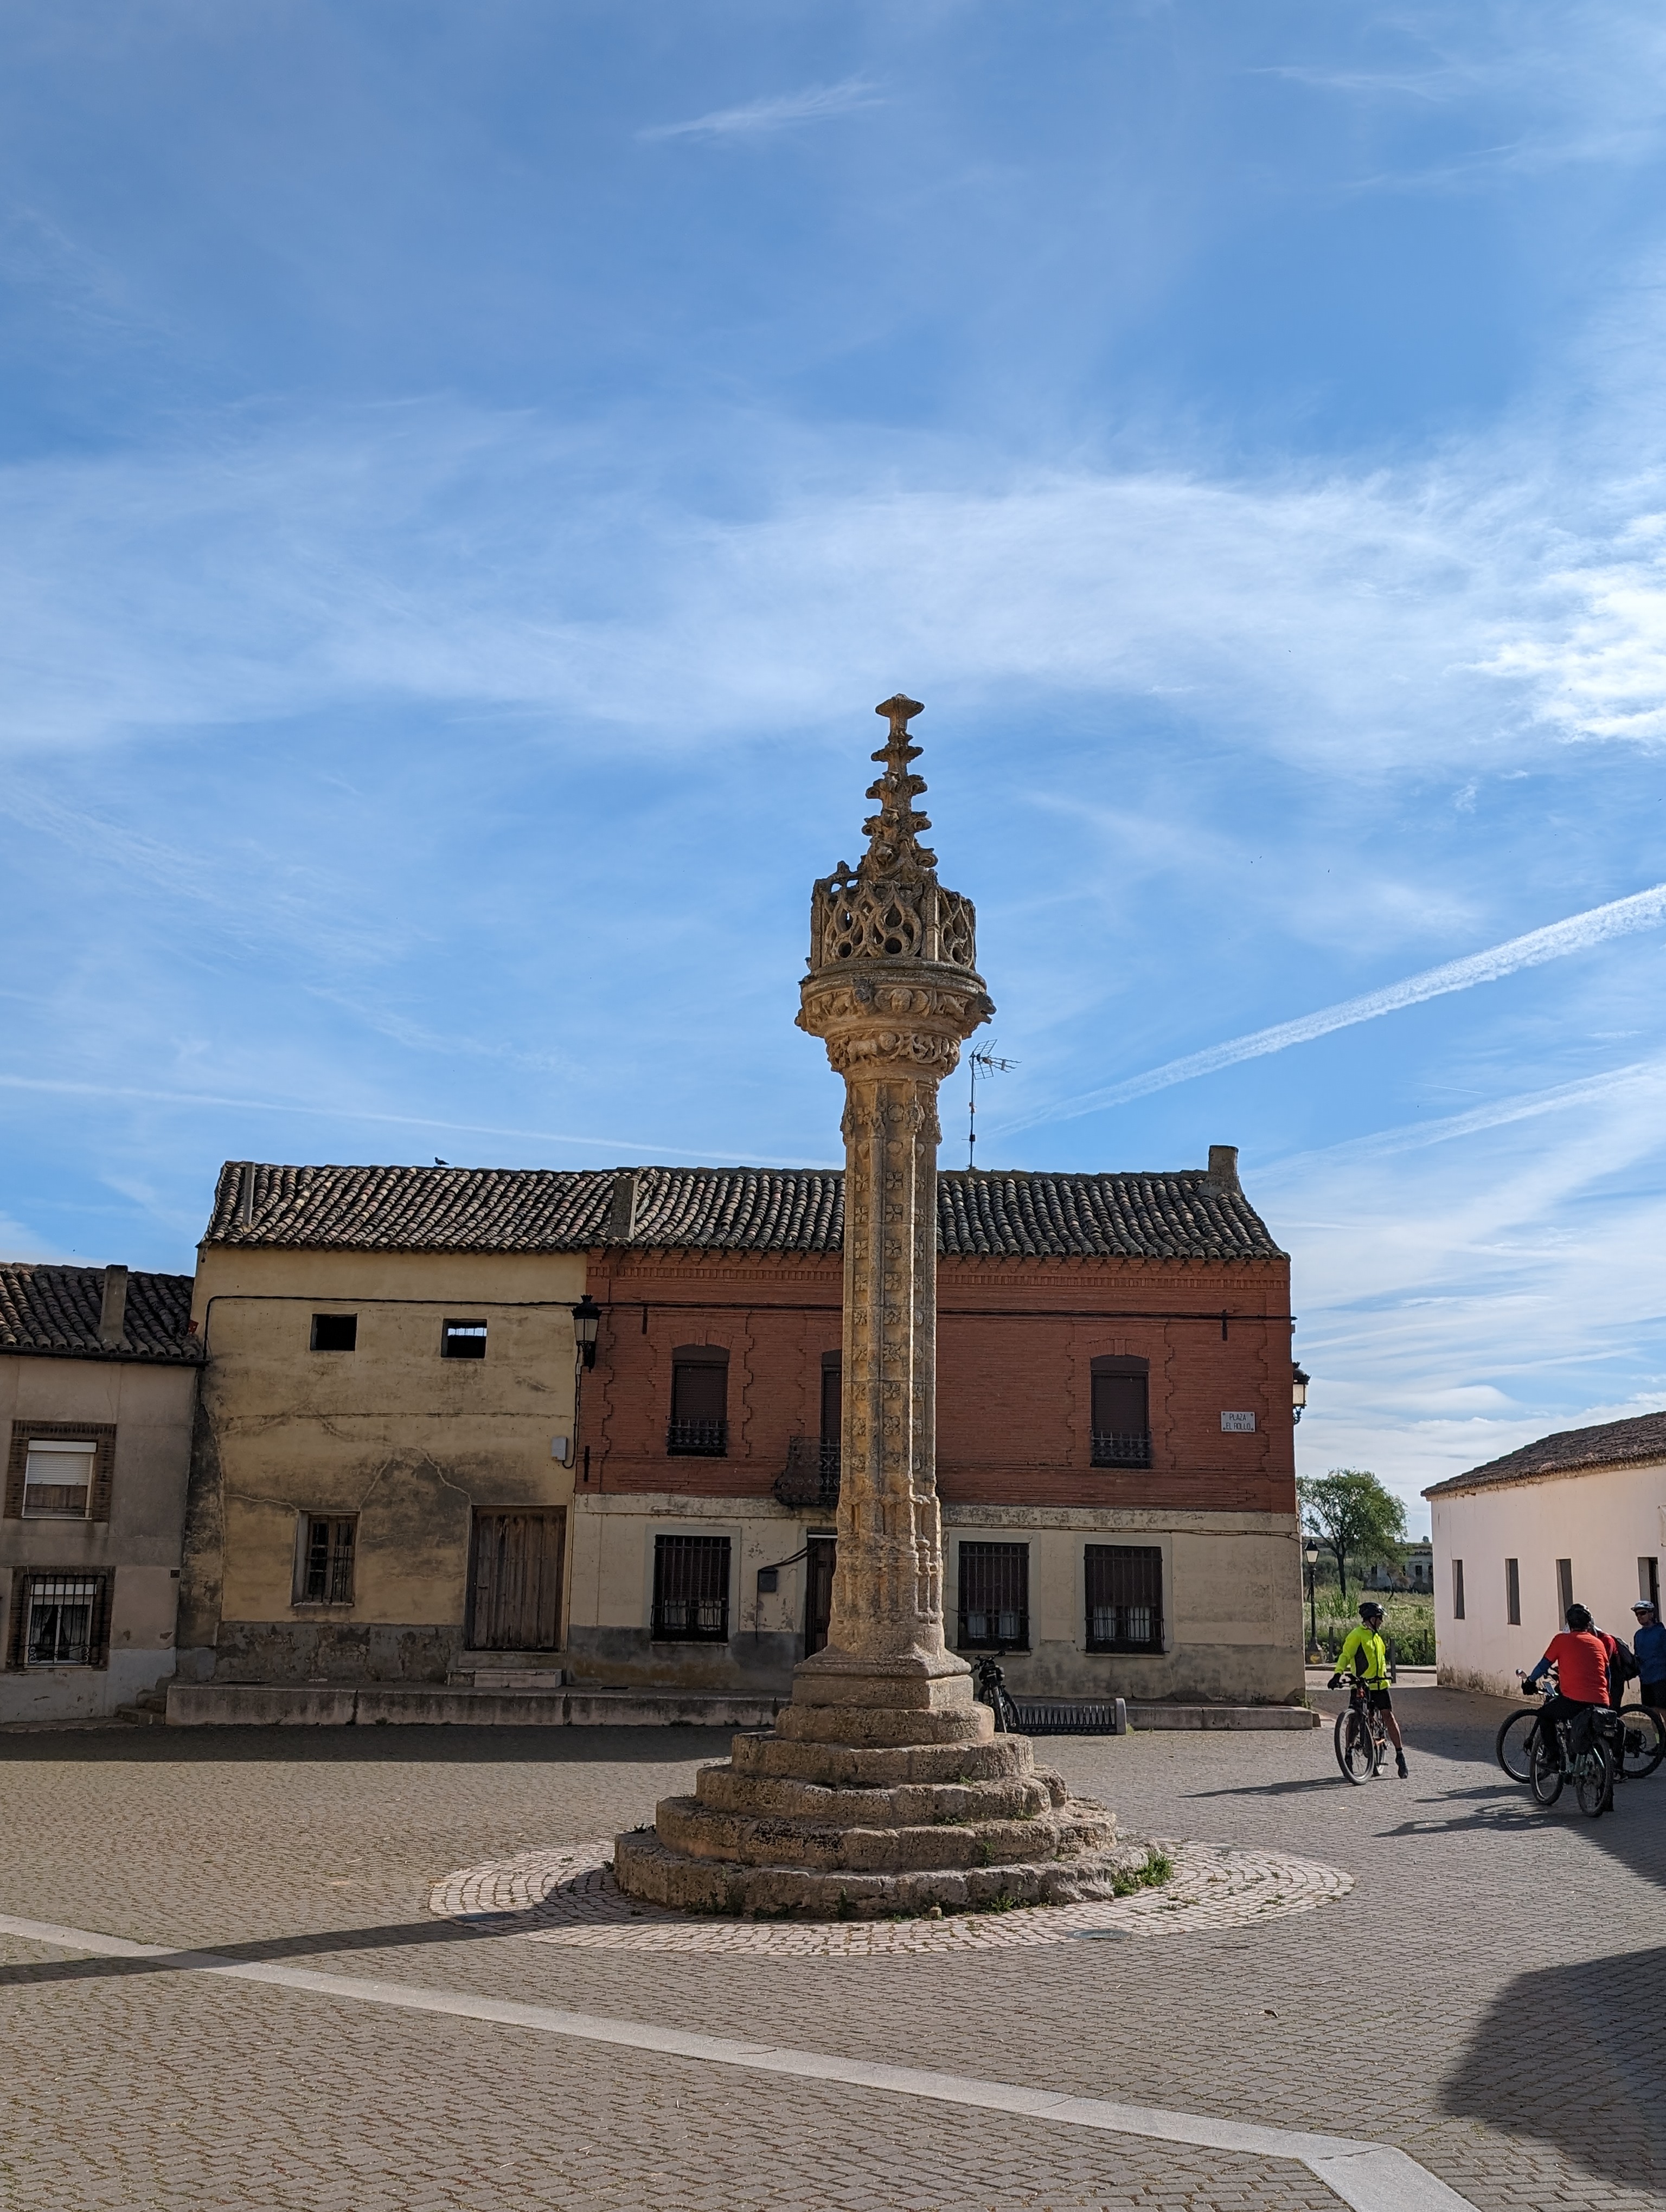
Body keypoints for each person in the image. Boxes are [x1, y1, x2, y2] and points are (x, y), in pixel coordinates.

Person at [1522, 1604, 1612, 1776]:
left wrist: (1530, 1681)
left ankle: (1553, 1758)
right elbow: (1608, 1675)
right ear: (1588, 1624)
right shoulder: (1599, 1643)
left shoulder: (1561, 1640)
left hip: (1575, 1700)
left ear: (1569, 1624)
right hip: (1601, 1701)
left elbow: (1544, 1665)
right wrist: (1606, 1696)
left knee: (1545, 1715)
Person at [1329, 1600, 1407, 1777]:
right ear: (1371, 1619)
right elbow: (1346, 1655)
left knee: (1388, 1716)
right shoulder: (1357, 1635)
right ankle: (1348, 1753)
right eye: (1380, 1619)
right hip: (1361, 1684)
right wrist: (1337, 1674)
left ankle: (1400, 1756)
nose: (1381, 1622)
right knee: (1355, 1720)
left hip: (1380, 1685)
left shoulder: (1378, 1638)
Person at [1632, 1599, 1666, 1709]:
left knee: (1663, 1709)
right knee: (1651, 1710)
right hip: (1645, 1678)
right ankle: (1656, 1727)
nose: (1639, 1617)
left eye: (1643, 1613)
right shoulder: (1638, 1635)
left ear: (1651, 1614)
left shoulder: (1661, 1633)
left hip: (1661, 1677)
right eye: (1637, 1614)